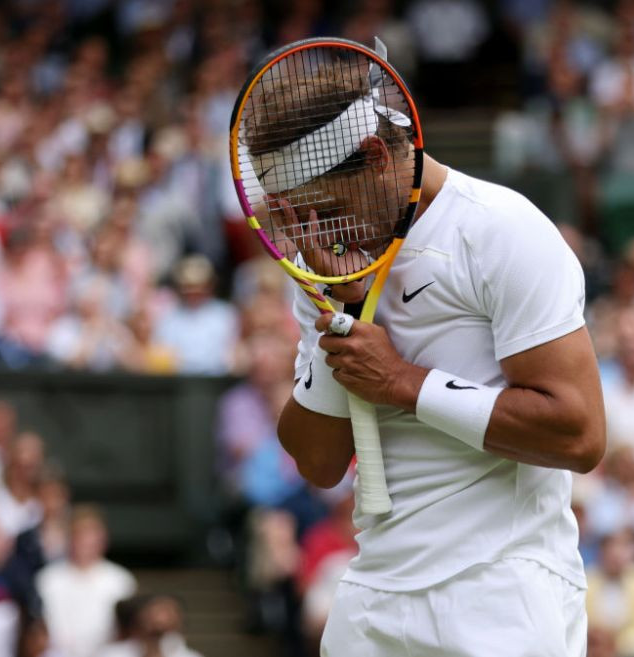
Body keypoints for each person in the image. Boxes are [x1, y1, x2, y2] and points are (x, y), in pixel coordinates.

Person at [252, 49, 606, 656]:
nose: (314, 236)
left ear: (377, 156)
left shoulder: (502, 230)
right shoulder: (326, 255)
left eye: (328, 211)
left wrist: (404, 383)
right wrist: (345, 320)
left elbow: (579, 435)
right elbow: (317, 463)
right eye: (300, 220)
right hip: (371, 603)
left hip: (504, 596)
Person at [37, 506, 137, 657]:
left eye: (91, 534)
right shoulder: (47, 579)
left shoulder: (121, 580)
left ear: (103, 538)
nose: (85, 541)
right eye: (79, 534)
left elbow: (126, 632)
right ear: (68, 537)